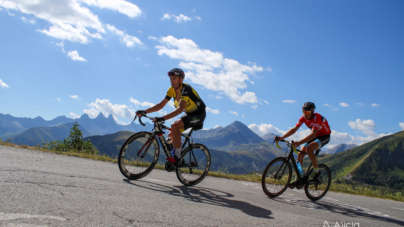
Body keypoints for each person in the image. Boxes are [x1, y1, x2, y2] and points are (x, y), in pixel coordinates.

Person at [135, 68, 206, 164]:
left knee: (175, 125)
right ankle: (178, 152)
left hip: (199, 114)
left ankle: (177, 156)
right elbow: (160, 105)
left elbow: (180, 109)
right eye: (171, 78)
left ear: (181, 80)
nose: (172, 81)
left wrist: (162, 118)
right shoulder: (171, 90)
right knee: (171, 134)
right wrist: (144, 111)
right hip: (189, 114)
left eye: (174, 78)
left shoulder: (186, 89)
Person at [275, 102, 331, 188]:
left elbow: (313, 134)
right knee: (300, 154)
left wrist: (299, 142)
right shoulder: (303, 118)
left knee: (309, 148)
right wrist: (282, 137)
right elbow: (294, 130)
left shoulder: (317, 117)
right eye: (303, 111)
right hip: (315, 136)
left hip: (324, 136)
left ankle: (316, 172)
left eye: (307, 112)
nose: (305, 114)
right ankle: (299, 177)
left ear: (312, 111)